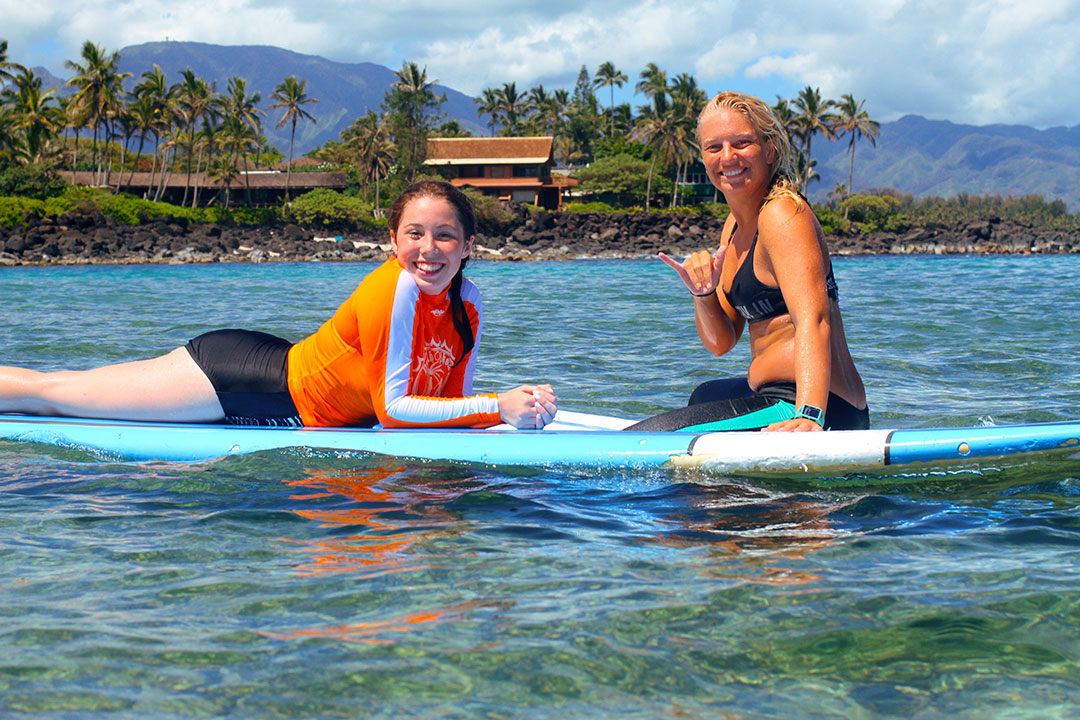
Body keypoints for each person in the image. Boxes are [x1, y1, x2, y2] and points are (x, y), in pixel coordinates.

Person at [0, 180, 557, 430]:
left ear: (468, 246)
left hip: (277, 361)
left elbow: (448, 400)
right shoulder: (396, 288)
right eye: (415, 234)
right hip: (241, 383)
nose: (428, 250)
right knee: (54, 397)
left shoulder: (468, 303)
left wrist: (523, 407)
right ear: (393, 241)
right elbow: (395, 411)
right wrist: (497, 407)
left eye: (445, 236)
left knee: (62, 391)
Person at [628, 91, 867, 433]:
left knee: (646, 440)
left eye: (742, 143)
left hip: (815, 405)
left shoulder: (783, 214)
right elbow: (721, 343)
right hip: (774, 394)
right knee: (703, 396)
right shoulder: (734, 226)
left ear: (769, 149)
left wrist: (810, 415)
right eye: (714, 147)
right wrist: (703, 293)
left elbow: (814, 319)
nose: (728, 157)